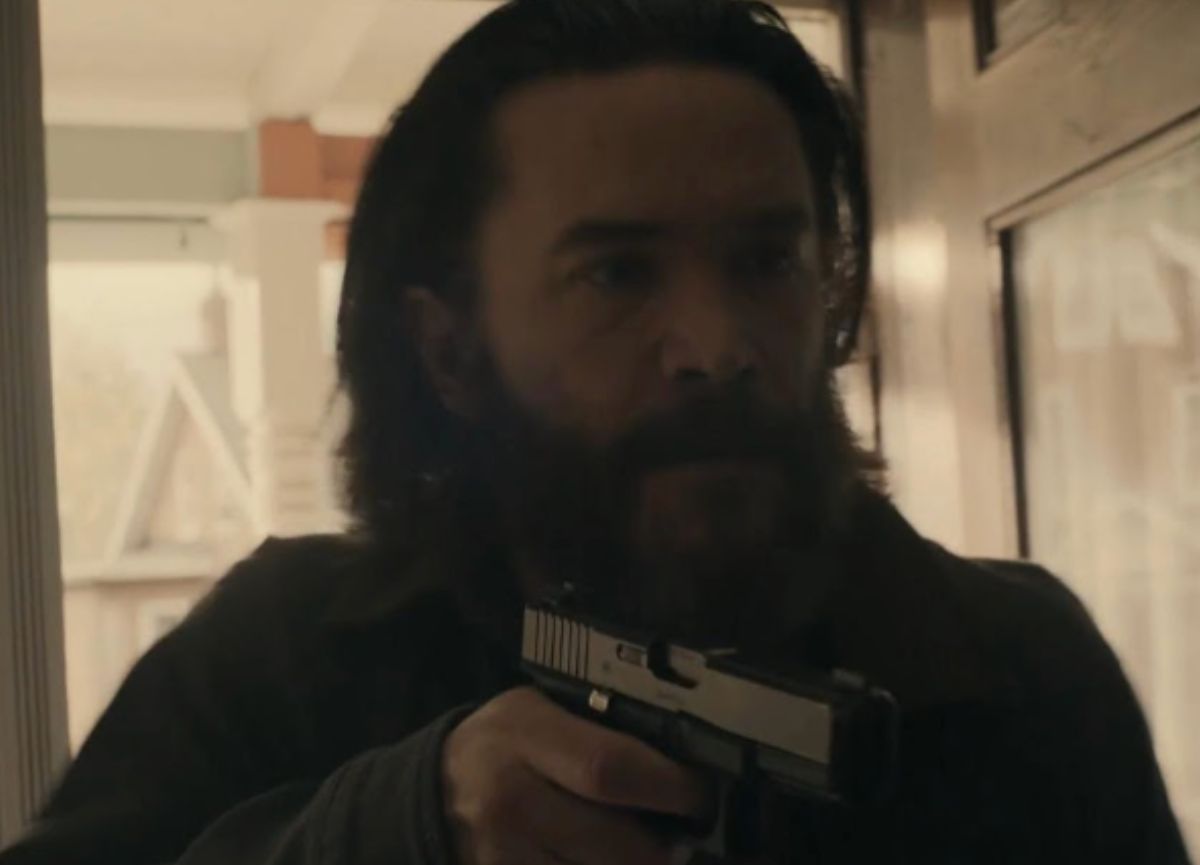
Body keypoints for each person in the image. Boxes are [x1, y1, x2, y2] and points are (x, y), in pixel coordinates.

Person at [1, 0, 1190, 863]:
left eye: (766, 260)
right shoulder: (280, 659)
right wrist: (401, 828)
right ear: (448, 349)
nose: (718, 344)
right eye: (618, 273)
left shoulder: (1024, 666)